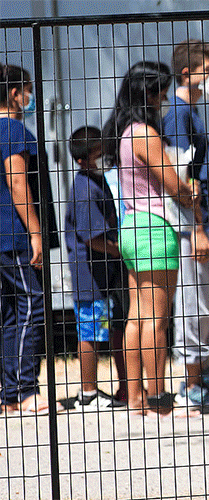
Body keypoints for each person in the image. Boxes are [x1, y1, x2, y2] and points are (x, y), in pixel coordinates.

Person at [105, 61, 201, 416]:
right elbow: (173, 184)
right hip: (156, 229)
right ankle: (159, 399)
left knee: (136, 318)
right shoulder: (145, 133)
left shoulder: (124, 131)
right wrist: (190, 192)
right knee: (157, 321)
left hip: (131, 227)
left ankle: (135, 398)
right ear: (148, 92)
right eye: (162, 91)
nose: (165, 98)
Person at [163, 39, 209, 407]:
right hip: (195, 225)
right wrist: (198, 229)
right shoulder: (176, 114)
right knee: (194, 302)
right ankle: (191, 383)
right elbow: (182, 177)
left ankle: (205, 374)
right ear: (187, 74)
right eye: (207, 72)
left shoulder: (191, 112)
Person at [0, 64, 60, 414]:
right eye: (28, 89)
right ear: (14, 93)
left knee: (10, 313)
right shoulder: (13, 130)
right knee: (32, 305)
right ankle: (24, 389)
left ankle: (10, 393)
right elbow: (18, 181)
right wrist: (36, 232)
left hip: (4, 237)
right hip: (15, 237)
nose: (31, 96)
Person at [65, 126, 128, 409]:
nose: (105, 160)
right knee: (90, 332)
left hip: (103, 273)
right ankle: (87, 393)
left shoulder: (96, 181)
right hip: (90, 275)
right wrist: (122, 251)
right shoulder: (86, 189)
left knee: (106, 328)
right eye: (98, 155)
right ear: (82, 161)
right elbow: (93, 239)